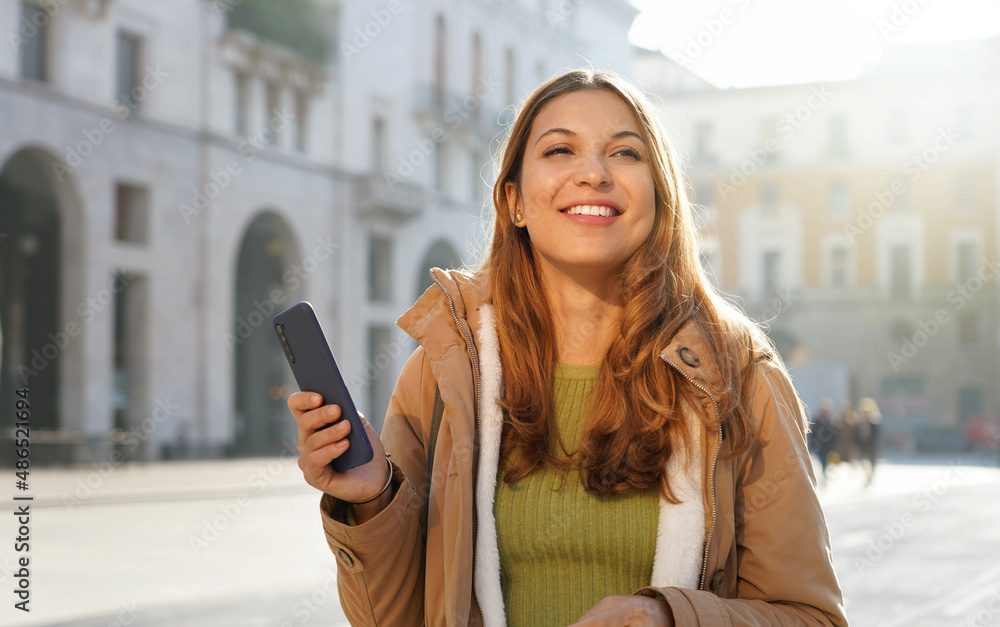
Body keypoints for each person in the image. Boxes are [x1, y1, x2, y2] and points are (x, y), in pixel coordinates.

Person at [288, 69, 847, 626]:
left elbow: (811, 616)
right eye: (560, 150)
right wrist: (371, 499)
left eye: (625, 153)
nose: (593, 174)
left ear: (659, 195)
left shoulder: (738, 375)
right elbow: (395, 618)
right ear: (514, 203)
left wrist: (671, 619)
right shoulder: (442, 373)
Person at [855, 397, 882, 487]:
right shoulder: (859, 423)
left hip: (872, 445)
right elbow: (856, 435)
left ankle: (871, 475)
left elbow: (877, 434)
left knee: (872, 461)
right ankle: (867, 474)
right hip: (863, 445)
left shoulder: (874, 422)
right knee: (863, 461)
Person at [810, 398, 837, 480]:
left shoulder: (830, 421)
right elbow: (812, 433)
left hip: (828, 445)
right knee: (821, 460)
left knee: (826, 460)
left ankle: (825, 472)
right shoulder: (817, 421)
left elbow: (834, 434)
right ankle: (823, 473)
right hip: (819, 445)